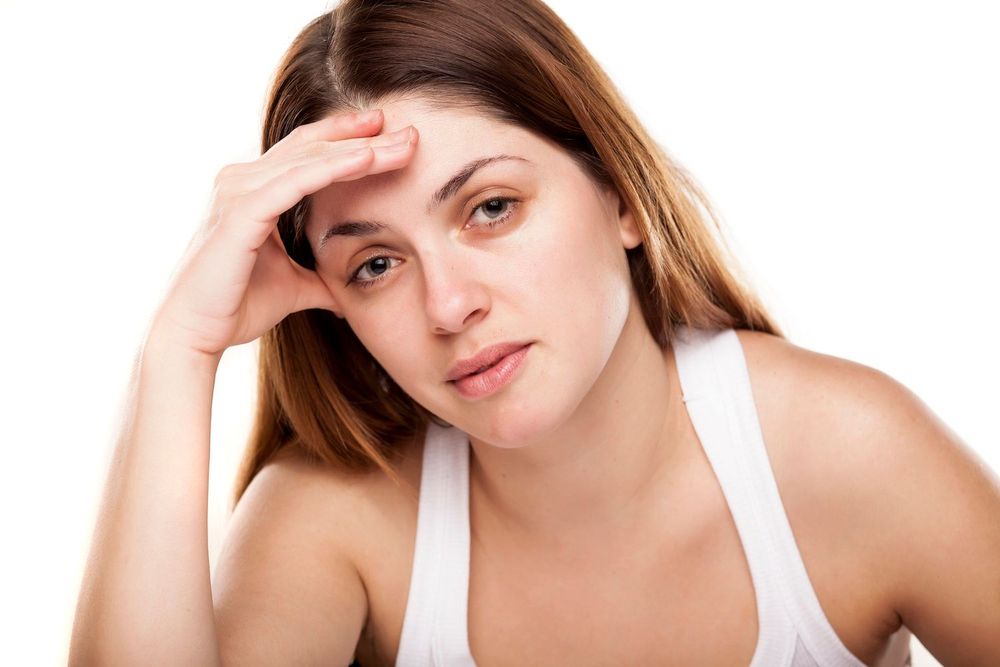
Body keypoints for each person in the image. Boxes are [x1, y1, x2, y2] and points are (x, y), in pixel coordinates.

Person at [69, 0, 1000, 665]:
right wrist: (178, 348)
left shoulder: (852, 457)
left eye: (491, 207)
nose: (448, 306)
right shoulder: (338, 519)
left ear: (622, 194)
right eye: (377, 264)